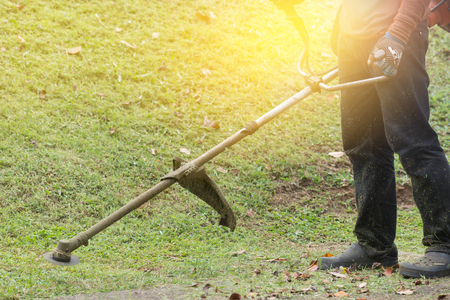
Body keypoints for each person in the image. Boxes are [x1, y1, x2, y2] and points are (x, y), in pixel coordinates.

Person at [271, 0, 450, 278]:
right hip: (351, 35)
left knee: (413, 140)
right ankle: (374, 244)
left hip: (395, 34)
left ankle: (444, 244)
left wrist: (398, 33)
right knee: (362, 143)